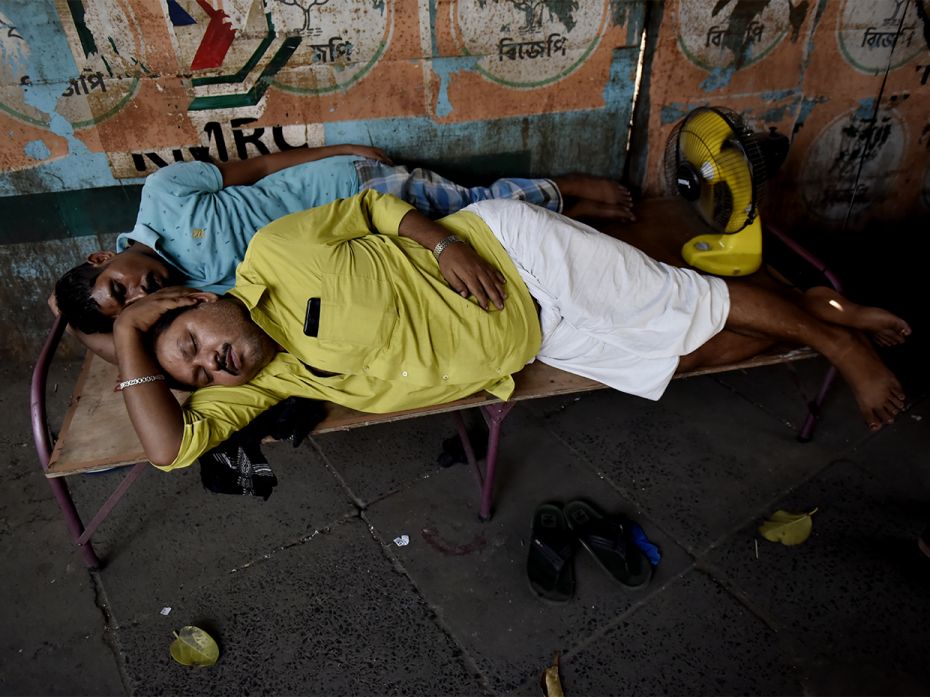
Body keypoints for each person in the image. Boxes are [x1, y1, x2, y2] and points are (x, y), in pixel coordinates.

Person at [110, 191, 907, 472]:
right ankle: (817, 307)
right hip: (530, 339)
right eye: (203, 378)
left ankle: (839, 343)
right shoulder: (273, 382)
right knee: (686, 353)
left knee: (682, 300)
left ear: (195, 299)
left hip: (512, 254)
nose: (213, 364)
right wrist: (128, 341)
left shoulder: (274, 252)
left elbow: (372, 208)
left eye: (190, 343)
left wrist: (445, 242)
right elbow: (168, 450)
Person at [52, 145, 634, 361]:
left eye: (120, 288)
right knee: (477, 240)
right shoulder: (191, 302)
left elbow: (256, 167)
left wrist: (341, 152)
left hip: (350, 190)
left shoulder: (163, 194)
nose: (140, 294)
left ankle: (568, 187)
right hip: (358, 249)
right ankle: (565, 210)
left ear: (105, 257)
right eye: (129, 306)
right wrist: (76, 318)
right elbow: (120, 346)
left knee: (470, 207)